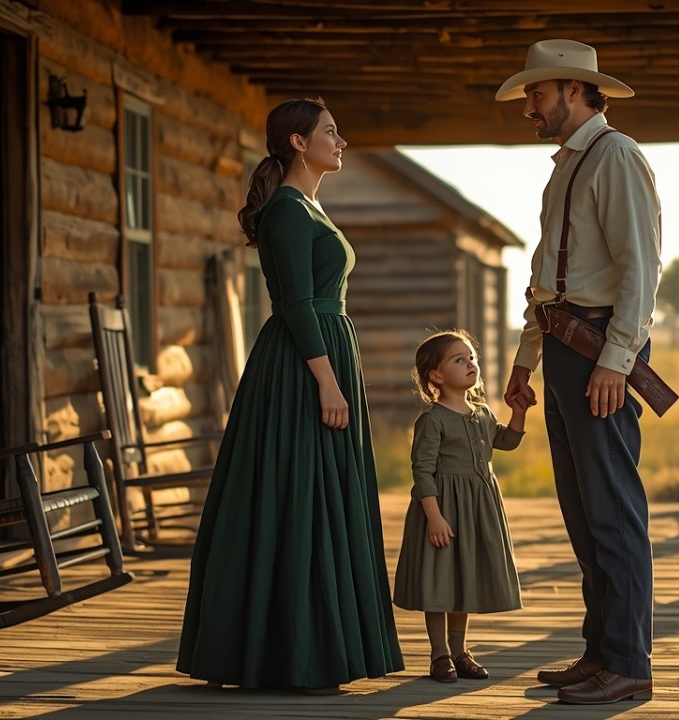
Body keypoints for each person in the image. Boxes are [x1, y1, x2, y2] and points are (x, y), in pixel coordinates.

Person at [176, 97, 404, 695]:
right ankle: (286, 651)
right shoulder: (286, 213)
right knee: (295, 497)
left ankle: (320, 645)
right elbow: (297, 305)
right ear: (299, 143)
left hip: (321, 356)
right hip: (301, 370)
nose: (342, 141)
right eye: (331, 132)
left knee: (322, 498)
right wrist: (327, 381)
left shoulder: (308, 207)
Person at [495, 39, 663, 705]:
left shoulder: (615, 155)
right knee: (583, 510)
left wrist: (616, 361)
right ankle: (601, 653)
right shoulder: (565, 167)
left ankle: (629, 663)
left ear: (572, 88)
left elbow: (640, 272)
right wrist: (522, 363)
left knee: (613, 511)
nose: (529, 107)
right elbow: (545, 280)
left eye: (536, 94)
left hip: (600, 354)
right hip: (565, 348)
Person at [392, 330, 528, 684]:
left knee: (462, 578)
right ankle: (439, 655)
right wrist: (433, 516)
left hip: (476, 508)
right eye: (459, 359)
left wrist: (519, 413)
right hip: (442, 509)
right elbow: (422, 470)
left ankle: (459, 651)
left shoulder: (481, 413)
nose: (471, 364)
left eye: (472, 358)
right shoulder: (432, 420)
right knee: (438, 582)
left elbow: (507, 441)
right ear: (436, 376)